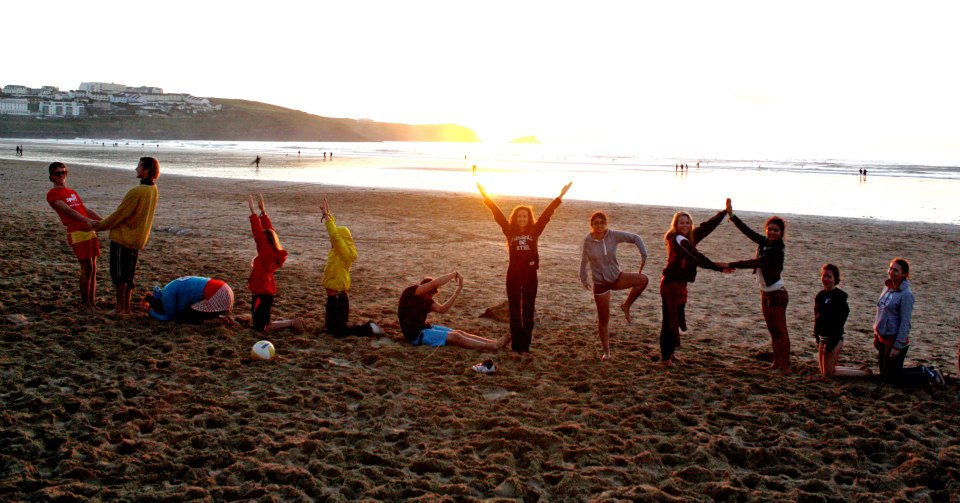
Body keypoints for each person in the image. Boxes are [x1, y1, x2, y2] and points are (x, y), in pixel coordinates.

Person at [476, 170, 571, 352]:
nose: (521, 218)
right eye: (519, 216)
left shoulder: (535, 231)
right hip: (513, 275)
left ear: (528, 218)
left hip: (530, 275)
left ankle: (524, 345)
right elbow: (497, 213)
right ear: (515, 218)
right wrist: (484, 195)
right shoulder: (509, 230)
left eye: (524, 216)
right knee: (514, 310)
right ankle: (516, 344)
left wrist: (560, 196)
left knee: (528, 310)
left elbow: (546, 215)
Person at [723, 199, 792, 373]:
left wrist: (731, 263)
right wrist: (732, 216)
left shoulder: (776, 250)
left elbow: (756, 262)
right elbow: (749, 232)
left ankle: (785, 366)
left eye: (776, 230)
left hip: (777, 294)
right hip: (766, 292)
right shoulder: (765, 242)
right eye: (770, 229)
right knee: (772, 331)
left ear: (781, 232)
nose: (772, 232)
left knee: (780, 332)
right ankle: (776, 363)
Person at [659, 207, 728, 366]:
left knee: (675, 319)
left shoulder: (688, 236)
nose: (685, 225)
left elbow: (706, 228)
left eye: (687, 222)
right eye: (681, 223)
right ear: (675, 225)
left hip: (680, 285)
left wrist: (724, 213)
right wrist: (717, 267)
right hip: (670, 284)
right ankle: (665, 358)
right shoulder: (678, 239)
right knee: (669, 320)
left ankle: (670, 354)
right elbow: (694, 256)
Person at [578, 211, 649, 361]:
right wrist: (583, 276)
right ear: (591, 225)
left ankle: (626, 305)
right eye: (596, 223)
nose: (599, 226)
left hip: (616, 277)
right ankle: (607, 352)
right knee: (604, 319)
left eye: (602, 223)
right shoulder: (588, 240)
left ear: (606, 224)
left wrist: (643, 254)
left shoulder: (613, 235)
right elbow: (584, 260)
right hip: (600, 284)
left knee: (643, 280)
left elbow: (635, 238)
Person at [93, 157, 159, 315]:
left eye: (139, 166)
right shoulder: (153, 189)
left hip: (123, 237)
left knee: (119, 275)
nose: (136, 169)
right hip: (137, 238)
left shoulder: (137, 191)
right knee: (128, 275)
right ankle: (126, 308)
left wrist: (99, 226)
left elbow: (120, 214)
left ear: (146, 170)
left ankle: (120, 308)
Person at [873, 258, 944, 386]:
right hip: (883, 338)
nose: (892, 272)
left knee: (895, 379)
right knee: (885, 376)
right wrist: (876, 333)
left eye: (896, 270)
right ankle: (923, 370)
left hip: (895, 339)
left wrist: (897, 345)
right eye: (890, 269)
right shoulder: (887, 287)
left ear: (904, 274)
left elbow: (905, 323)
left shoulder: (906, 295)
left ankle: (928, 374)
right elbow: (881, 311)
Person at [321, 197, 383, 338]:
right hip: (334, 299)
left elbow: (335, 236)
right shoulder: (338, 252)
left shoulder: (345, 254)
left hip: (338, 299)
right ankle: (368, 328)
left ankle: (370, 328)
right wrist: (330, 216)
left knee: (338, 331)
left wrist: (327, 218)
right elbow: (336, 235)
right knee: (332, 329)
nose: (331, 240)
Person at [398, 272, 507, 349]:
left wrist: (457, 291)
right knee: (457, 337)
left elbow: (442, 309)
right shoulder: (410, 293)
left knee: (459, 332)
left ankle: (494, 342)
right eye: (430, 293)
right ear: (424, 289)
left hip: (425, 328)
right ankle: (493, 346)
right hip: (416, 336)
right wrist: (454, 274)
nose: (431, 296)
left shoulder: (427, 301)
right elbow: (435, 283)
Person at [46, 162, 102, 308]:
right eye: (58, 173)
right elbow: (68, 211)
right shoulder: (53, 194)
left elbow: (84, 209)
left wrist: (102, 221)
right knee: (87, 267)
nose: (61, 175)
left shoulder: (71, 191)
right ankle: (86, 304)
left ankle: (92, 301)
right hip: (77, 231)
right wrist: (87, 221)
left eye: (64, 172)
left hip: (89, 230)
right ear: (51, 176)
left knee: (94, 267)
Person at [247, 194, 304, 334]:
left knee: (262, 327)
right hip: (263, 291)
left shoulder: (266, 254)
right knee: (257, 321)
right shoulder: (274, 250)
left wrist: (253, 212)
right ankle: (288, 322)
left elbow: (259, 235)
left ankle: (291, 323)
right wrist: (263, 212)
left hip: (262, 292)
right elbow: (269, 231)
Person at [815, 264, 871, 379]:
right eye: (824, 276)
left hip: (834, 338)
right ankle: (858, 369)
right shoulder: (820, 296)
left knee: (829, 374)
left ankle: (864, 373)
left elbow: (840, 321)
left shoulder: (839, 297)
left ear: (835, 279)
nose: (826, 279)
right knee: (824, 372)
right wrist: (816, 336)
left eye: (829, 276)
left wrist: (832, 341)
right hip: (822, 338)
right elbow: (817, 317)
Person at [144, 276, 235, 325]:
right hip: (225, 290)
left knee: (182, 318)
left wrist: (151, 312)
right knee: (191, 310)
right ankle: (218, 316)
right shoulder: (168, 287)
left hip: (217, 296)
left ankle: (213, 321)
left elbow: (169, 317)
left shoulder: (166, 296)